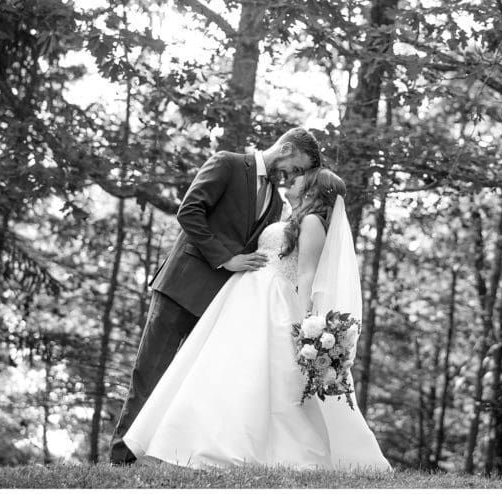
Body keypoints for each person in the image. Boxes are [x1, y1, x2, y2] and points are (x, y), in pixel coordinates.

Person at [120, 168, 391, 471]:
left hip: (273, 301)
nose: (295, 178)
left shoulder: (312, 222)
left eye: (302, 176)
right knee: (224, 370)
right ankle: (190, 442)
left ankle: (242, 447)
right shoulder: (290, 216)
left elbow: (306, 273)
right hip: (245, 295)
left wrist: (304, 327)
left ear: (313, 188)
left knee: (256, 375)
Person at [109, 127, 321, 465]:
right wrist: (226, 258)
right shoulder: (228, 164)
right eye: (298, 166)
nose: (296, 175)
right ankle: (122, 456)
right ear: (287, 149)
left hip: (221, 304)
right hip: (183, 287)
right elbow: (189, 211)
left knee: (192, 382)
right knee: (150, 373)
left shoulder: (277, 202)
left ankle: (164, 454)